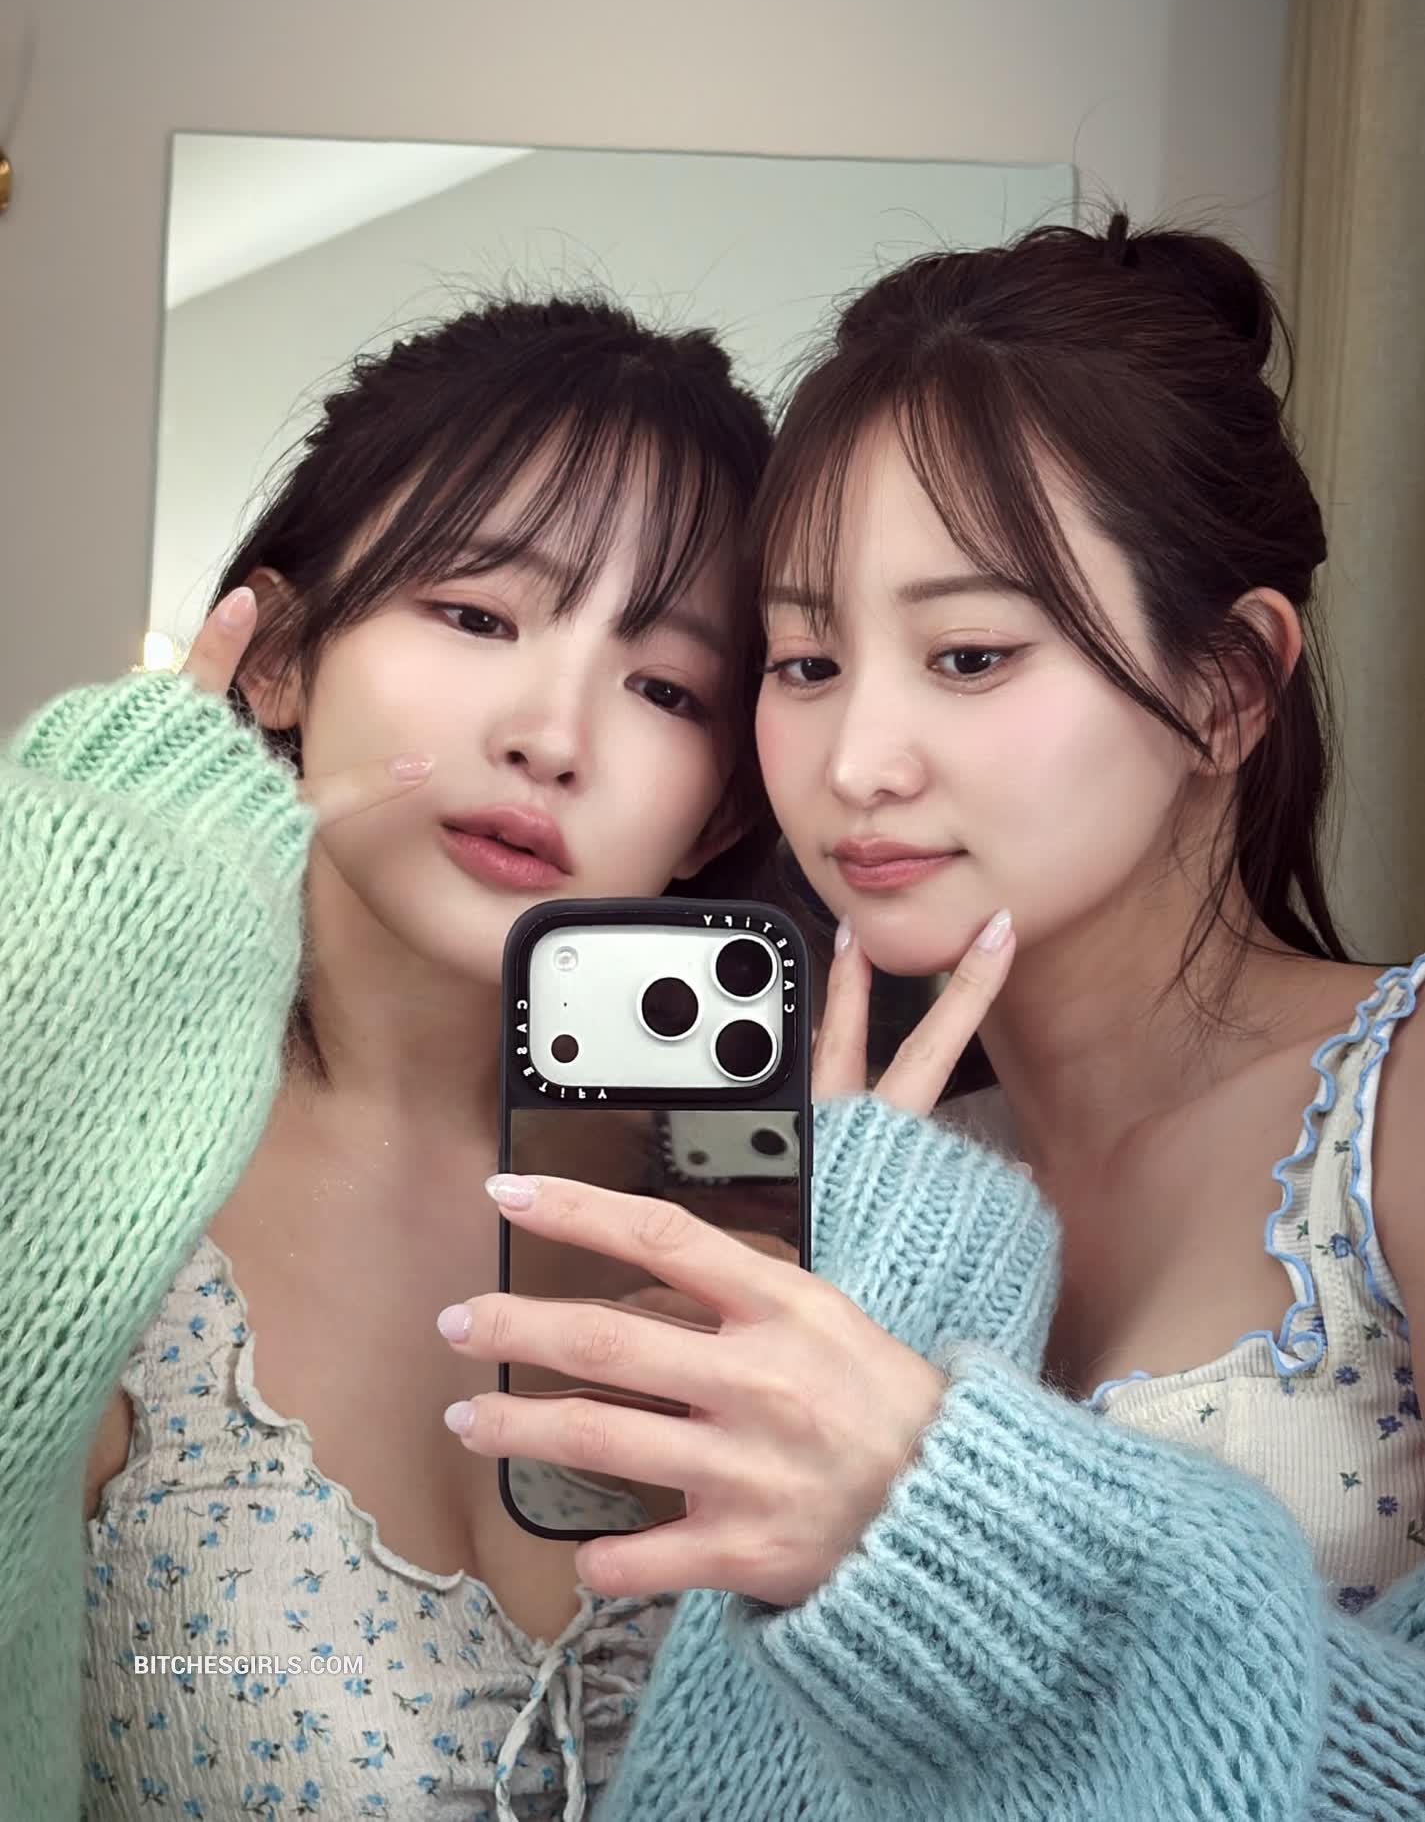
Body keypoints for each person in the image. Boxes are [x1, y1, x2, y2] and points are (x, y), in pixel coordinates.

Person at [440, 217, 1425, 1818]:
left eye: (968, 654)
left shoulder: (1393, 1106)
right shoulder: (846, 1170)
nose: (855, 762)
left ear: (1229, 685)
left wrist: (931, 1516)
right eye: (803, 661)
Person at [0, 294, 777, 1821]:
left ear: (721, 813)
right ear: (284, 658)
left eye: (665, 688)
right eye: (478, 615)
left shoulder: (756, 1224)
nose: (553, 734)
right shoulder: (87, 1141)